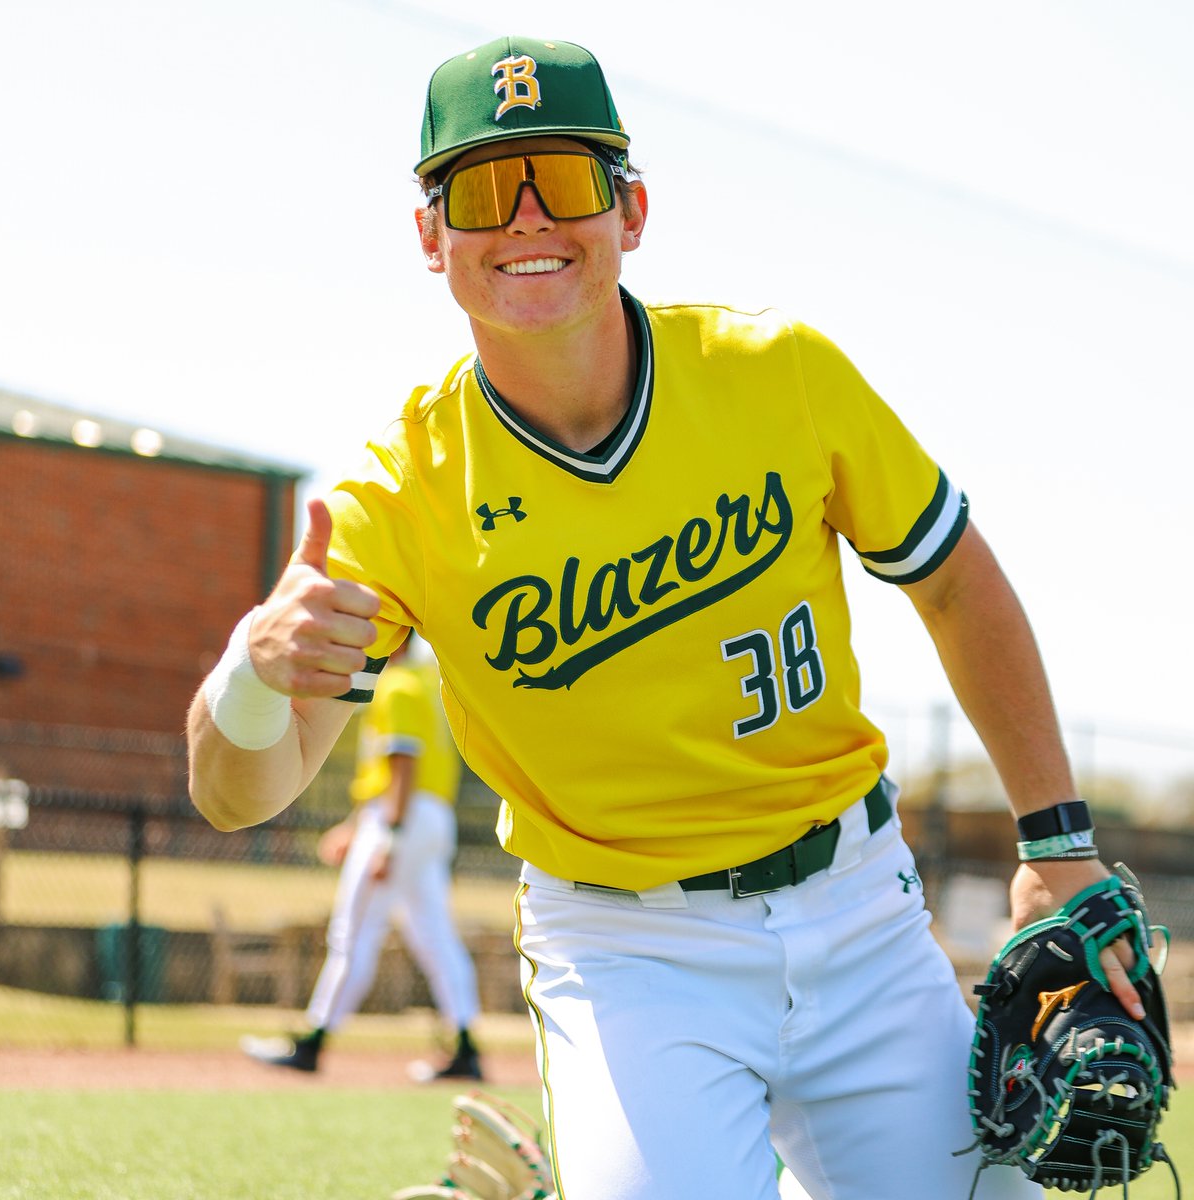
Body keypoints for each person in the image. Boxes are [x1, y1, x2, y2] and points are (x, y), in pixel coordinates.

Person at [187, 36, 1145, 1199]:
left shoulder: (775, 372)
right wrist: (251, 667)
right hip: (629, 950)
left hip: (860, 910)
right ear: (431, 237)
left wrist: (1053, 842)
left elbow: (954, 578)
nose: (529, 218)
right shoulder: (395, 497)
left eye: (569, 179)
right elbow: (242, 792)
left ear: (631, 209)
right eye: (486, 188)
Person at [240, 632, 482, 1080]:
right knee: (434, 936)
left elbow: (402, 765)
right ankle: (467, 1046)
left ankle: (313, 1042)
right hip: (423, 818)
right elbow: (401, 768)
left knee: (354, 933)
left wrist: (387, 836)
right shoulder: (426, 685)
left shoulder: (398, 685)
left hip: (399, 820)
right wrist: (357, 826)